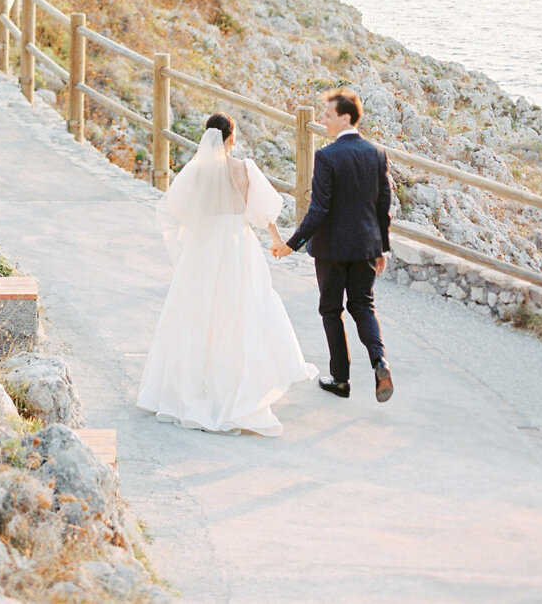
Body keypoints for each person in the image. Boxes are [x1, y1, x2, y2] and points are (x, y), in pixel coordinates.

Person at [138, 114, 316, 435]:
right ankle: (235, 388)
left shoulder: (196, 170)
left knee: (196, 312)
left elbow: (176, 208)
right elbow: (265, 211)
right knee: (240, 312)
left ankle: (188, 388)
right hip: (236, 246)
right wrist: (277, 241)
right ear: (231, 137)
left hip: (203, 247)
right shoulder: (244, 168)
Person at [273, 89, 394, 403]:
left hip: (331, 249)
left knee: (331, 309)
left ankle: (340, 379)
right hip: (367, 246)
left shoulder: (326, 156)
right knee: (363, 305)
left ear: (345, 117)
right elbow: (384, 205)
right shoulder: (377, 152)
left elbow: (319, 209)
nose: (323, 120)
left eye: (327, 115)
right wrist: (383, 248)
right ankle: (380, 361)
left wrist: (292, 244)